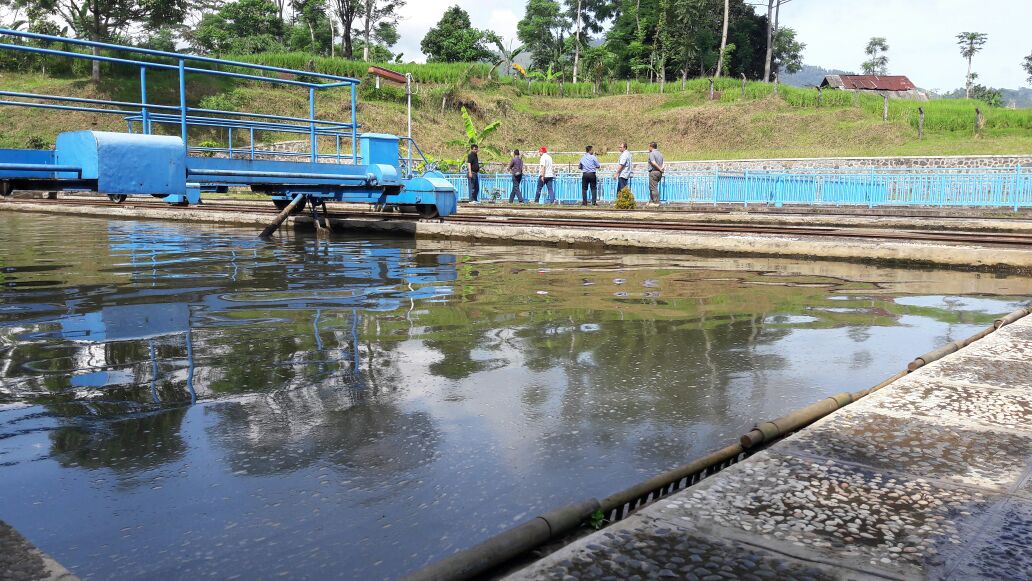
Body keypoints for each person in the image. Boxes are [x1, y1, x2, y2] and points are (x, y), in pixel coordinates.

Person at [647, 141, 664, 206]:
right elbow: (663, 163)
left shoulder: (652, 153)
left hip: (654, 172)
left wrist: (659, 169)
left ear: (651, 147)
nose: (648, 148)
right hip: (659, 173)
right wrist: (661, 169)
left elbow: (653, 163)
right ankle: (651, 201)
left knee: (653, 188)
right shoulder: (660, 153)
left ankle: (656, 202)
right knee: (652, 187)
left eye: (649, 146)